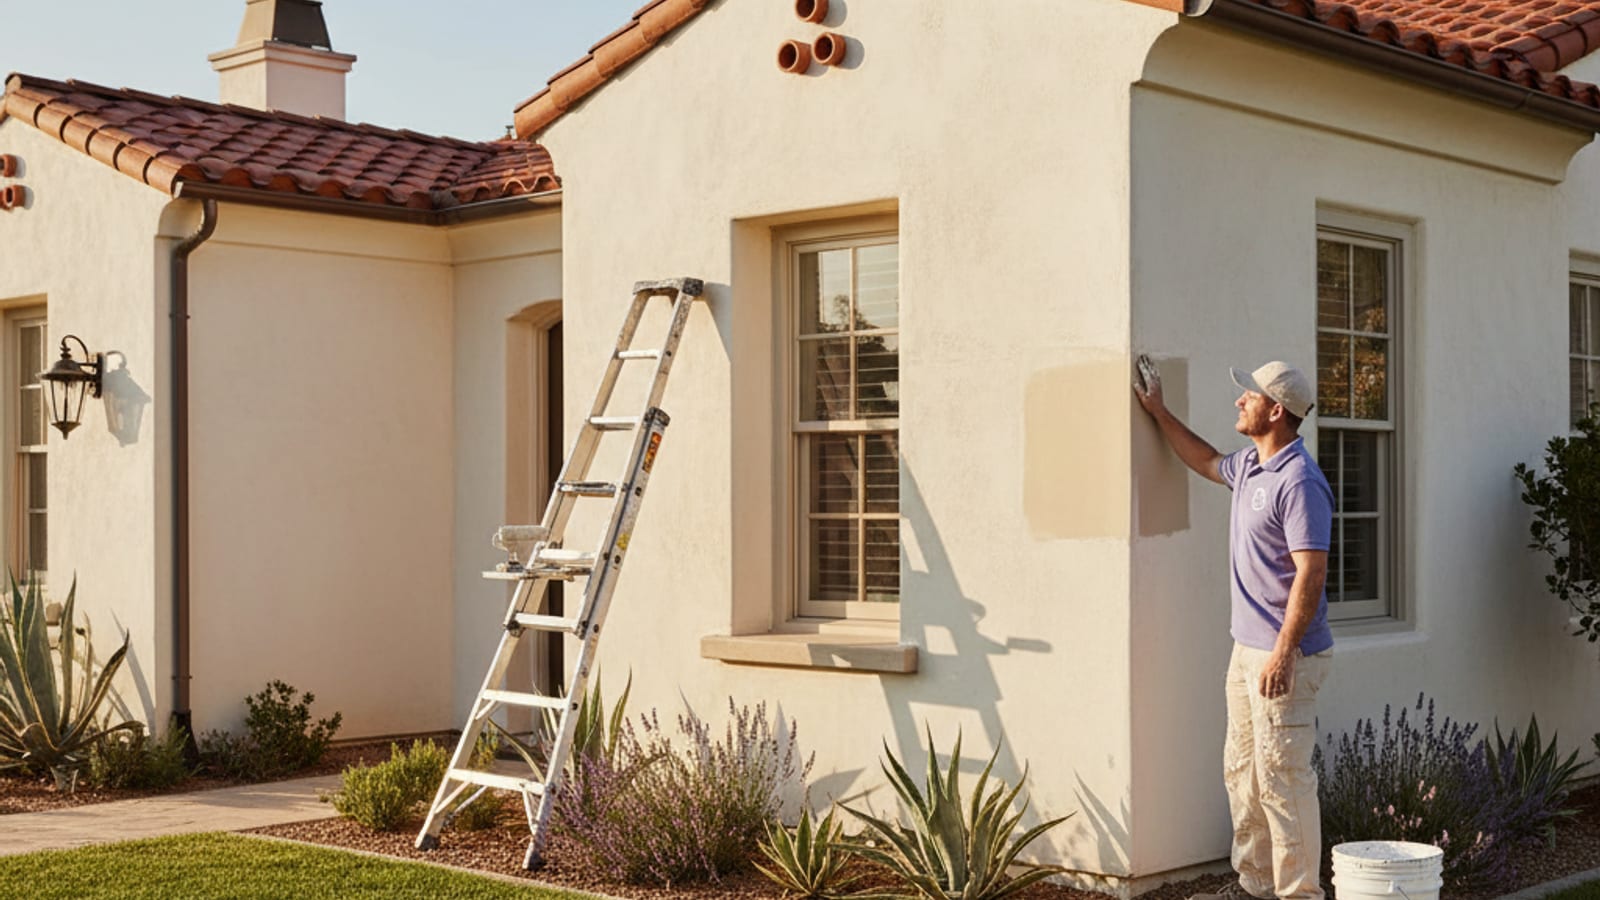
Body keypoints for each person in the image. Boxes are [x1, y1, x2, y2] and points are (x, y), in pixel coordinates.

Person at [1133, 356, 1335, 900]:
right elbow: (1204, 460)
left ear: (1276, 410)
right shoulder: (1250, 466)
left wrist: (1284, 653)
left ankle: (1299, 895)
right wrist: (1159, 411)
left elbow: (1311, 572)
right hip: (1247, 649)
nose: (1239, 401)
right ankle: (1255, 887)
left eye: (1249, 395)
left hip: (1284, 655)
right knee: (1243, 773)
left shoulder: (1299, 481)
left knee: (1282, 780)